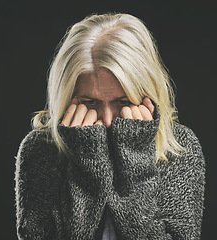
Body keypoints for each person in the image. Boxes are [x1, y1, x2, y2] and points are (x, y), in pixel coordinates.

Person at [15, 13, 205, 239]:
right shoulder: (40, 148)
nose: (106, 119)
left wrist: (135, 162)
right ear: (67, 98)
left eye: (122, 102)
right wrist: (87, 170)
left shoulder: (181, 148)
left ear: (146, 95)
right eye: (90, 102)